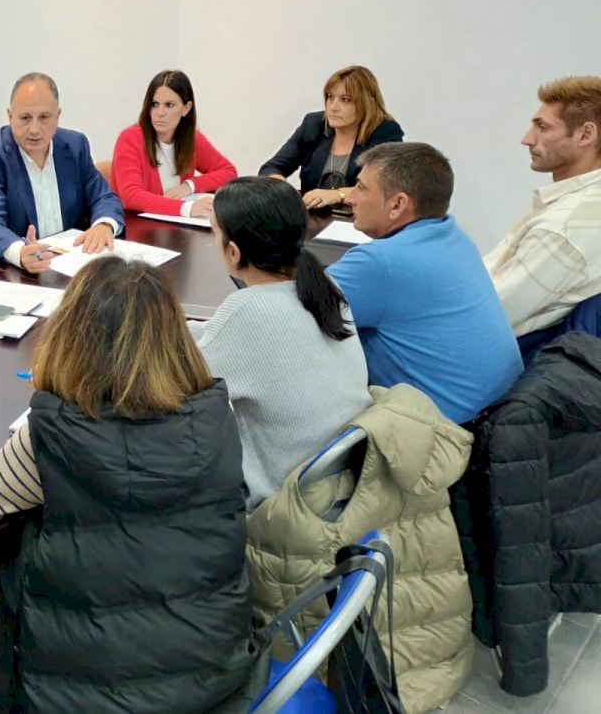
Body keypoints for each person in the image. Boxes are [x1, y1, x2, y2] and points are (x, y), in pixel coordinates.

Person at [0, 256, 254, 713]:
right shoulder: (217, 414)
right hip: (217, 672)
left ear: (69, 338)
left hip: (85, 696)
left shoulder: (51, 435)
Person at [194, 177, 372, 506]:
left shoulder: (247, 310)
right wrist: (179, 329)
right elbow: (227, 338)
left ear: (233, 252)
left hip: (280, 500)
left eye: (214, 232)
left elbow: (176, 377)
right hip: (337, 481)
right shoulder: (325, 286)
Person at [328, 143, 522, 423]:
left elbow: (286, 314)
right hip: (498, 415)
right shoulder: (453, 236)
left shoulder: (382, 261)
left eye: (361, 187)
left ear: (397, 204)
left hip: (444, 435)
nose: (350, 198)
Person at [0, 72, 125, 273]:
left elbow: (104, 196)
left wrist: (104, 225)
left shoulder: (75, 146)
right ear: (10, 116)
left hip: (69, 266)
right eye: (25, 118)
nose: (34, 129)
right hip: (10, 272)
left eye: (44, 118)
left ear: (57, 116)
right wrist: (19, 252)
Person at [484, 76, 601, 340]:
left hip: (493, 355)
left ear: (585, 135)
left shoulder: (564, 228)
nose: (527, 139)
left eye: (542, 127)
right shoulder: (574, 206)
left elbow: (484, 315)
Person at [259, 65, 404, 210]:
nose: (333, 107)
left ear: (366, 104)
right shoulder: (313, 125)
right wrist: (283, 191)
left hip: (360, 219)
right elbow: (271, 168)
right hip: (313, 217)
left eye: (345, 100)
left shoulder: (386, 132)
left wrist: (338, 195)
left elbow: (386, 186)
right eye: (330, 97)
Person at [111, 69, 237, 218]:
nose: (160, 112)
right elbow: (130, 196)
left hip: (175, 224)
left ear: (186, 108)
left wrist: (190, 186)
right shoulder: (130, 139)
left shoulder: (191, 138)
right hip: (136, 223)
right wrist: (187, 208)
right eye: (154, 104)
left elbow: (229, 172)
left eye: (169, 105)